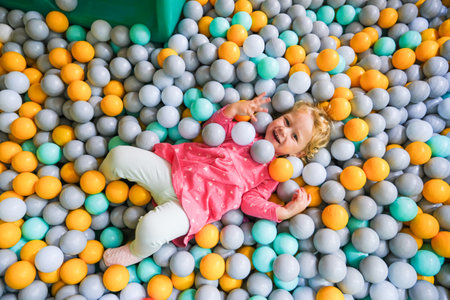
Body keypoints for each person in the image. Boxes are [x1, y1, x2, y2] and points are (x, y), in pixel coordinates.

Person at [101, 93, 331, 266]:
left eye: (294, 136)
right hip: (175, 171)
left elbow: (250, 202)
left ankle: (134, 251)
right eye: (287, 121)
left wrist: (285, 212)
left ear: (298, 153)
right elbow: (213, 132)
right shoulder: (246, 132)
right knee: (118, 155)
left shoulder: (272, 173)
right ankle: (100, 179)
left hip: (191, 208)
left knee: (150, 229)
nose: (283, 130)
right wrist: (232, 110)